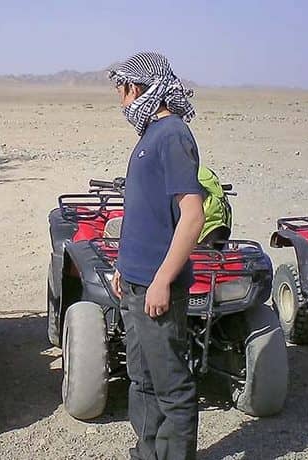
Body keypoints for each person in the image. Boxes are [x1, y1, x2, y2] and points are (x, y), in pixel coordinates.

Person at [108, 52, 206, 460]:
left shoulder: (172, 135)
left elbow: (192, 215)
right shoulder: (148, 137)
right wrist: (123, 266)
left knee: (171, 386)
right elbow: (145, 211)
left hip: (155, 287)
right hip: (134, 282)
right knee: (141, 379)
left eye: (121, 91)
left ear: (136, 88)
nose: (121, 101)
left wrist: (163, 279)